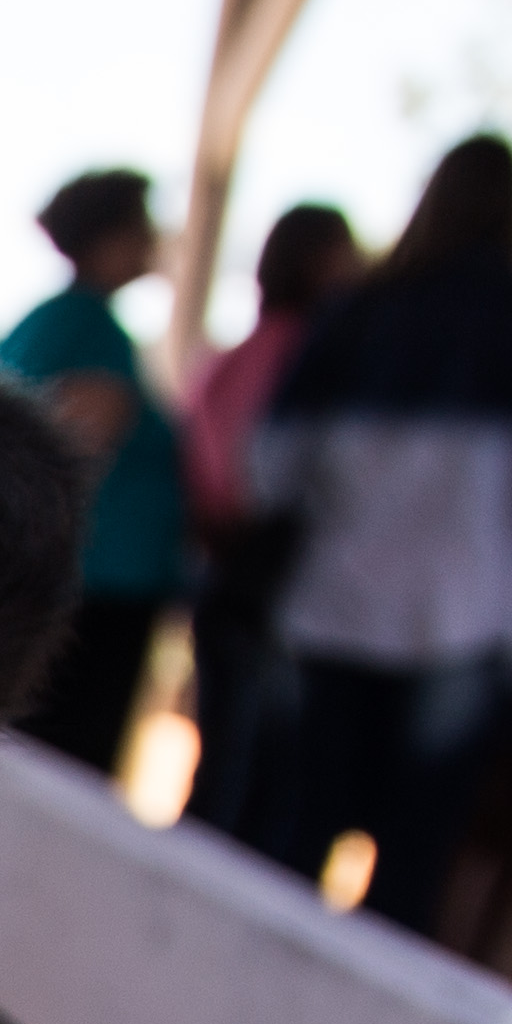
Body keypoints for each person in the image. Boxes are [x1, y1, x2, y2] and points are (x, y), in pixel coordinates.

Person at [248, 133, 512, 953]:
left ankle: (258, 1006)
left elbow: (269, 464)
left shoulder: (356, 314)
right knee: (415, 859)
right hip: (465, 620)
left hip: (333, 611)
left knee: (299, 838)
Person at [0, 168, 189, 778]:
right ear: (110, 236)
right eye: (143, 226)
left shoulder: (54, 322)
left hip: (76, 583)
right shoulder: (88, 330)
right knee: (68, 766)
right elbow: (73, 453)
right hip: (95, 590)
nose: (154, 239)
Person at [179, 201, 359, 842]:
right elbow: (260, 483)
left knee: (221, 759)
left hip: (222, 572)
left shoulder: (231, 356)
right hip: (272, 582)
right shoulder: (308, 357)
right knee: (261, 779)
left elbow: (204, 473)